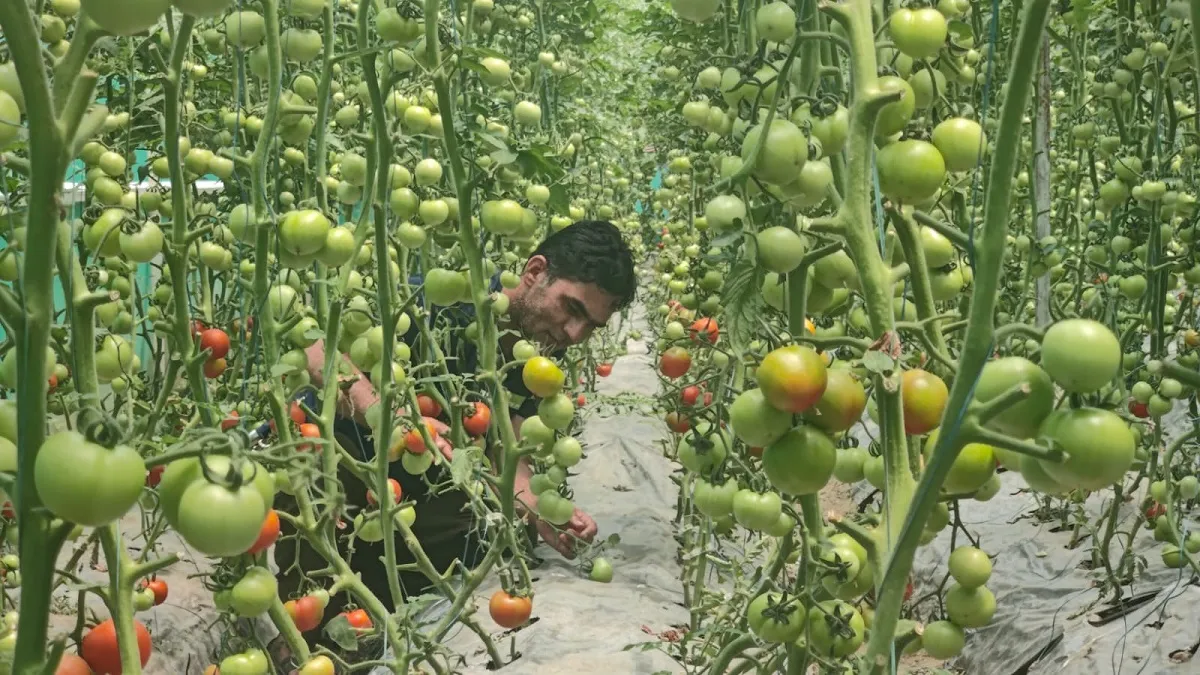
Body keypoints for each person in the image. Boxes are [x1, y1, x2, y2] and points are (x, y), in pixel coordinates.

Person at [270, 220, 637, 648]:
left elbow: (509, 456)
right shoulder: (441, 299)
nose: (574, 335)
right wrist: (393, 416)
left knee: (480, 531)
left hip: (407, 500)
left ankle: (391, 636)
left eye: (590, 325)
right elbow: (316, 349)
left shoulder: (532, 360)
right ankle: (302, 644)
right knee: (315, 607)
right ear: (535, 271)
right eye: (572, 309)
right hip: (339, 470)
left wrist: (539, 509)